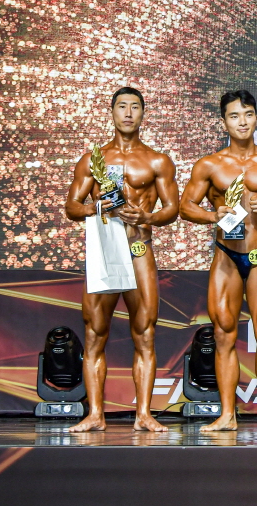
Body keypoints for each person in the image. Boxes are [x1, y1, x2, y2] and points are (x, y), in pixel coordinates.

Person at [180, 89, 257, 432]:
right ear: (224, 122)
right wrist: (213, 215)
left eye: (248, 114)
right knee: (223, 333)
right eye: (234, 116)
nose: (242, 122)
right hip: (226, 255)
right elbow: (185, 206)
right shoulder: (210, 165)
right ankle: (227, 415)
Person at [63, 88, 179, 432]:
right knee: (95, 332)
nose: (128, 113)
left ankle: (143, 414)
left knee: (144, 332)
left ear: (143, 114)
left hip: (138, 249)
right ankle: (95, 414)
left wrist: (147, 217)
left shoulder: (157, 161)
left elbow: (172, 209)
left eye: (135, 107)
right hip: (105, 251)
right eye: (122, 106)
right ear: (112, 112)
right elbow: (71, 206)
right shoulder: (93, 159)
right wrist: (97, 207)